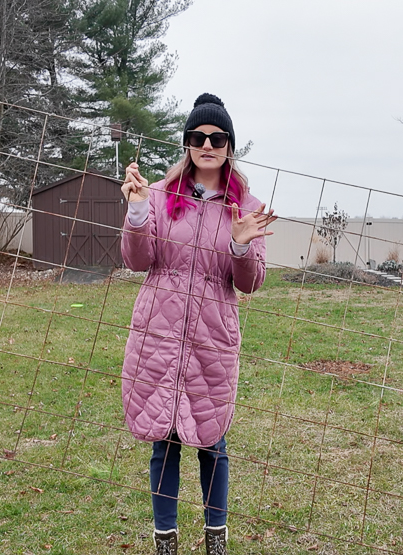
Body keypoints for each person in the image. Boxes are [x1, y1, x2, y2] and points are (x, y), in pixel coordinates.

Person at [120, 93, 275, 555]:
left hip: (212, 336)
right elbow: (137, 259)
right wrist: (136, 212)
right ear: (187, 142)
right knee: (162, 439)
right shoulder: (161, 195)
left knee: (212, 439)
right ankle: (165, 537)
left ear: (229, 145)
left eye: (217, 137)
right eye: (197, 136)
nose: (207, 144)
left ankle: (215, 537)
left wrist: (241, 245)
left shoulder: (246, 205)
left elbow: (250, 283)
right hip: (158, 332)